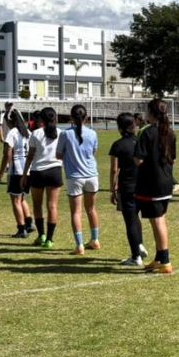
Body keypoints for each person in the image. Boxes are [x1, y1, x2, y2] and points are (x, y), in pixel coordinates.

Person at [134, 98, 176, 274]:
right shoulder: (171, 132)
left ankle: (165, 260)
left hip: (152, 183)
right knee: (157, 219)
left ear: (151, 113)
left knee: (157, 220)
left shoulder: (147, 132)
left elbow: (138, 159)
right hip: (166, 182)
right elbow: (173, 159)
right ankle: (159, 258)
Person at [56, 104, 101, 255]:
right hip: (91, 175)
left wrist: (71, 157)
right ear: (86, 117)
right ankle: (95, 240)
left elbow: (58, 154)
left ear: (71, 118)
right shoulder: (93, 133)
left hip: (75, 176)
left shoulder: (65, 134)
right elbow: (93, 151)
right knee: (91, 209)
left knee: (76, 212)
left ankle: (79, 245)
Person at [109, 112, 149, 266]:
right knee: (136, 219)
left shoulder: (118, 145)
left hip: (127, 187)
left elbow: (114, 169)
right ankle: (139, 245)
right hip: (143, 185)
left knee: (130, 221)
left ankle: (135, 256)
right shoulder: (141, 141)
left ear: (120, 127)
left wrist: (113, 189)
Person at [21, 107, 63, 248]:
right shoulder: (61, 133)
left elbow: (30, 156)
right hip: (55, 171)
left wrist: (24, 174)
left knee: (37, 205)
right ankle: (50, 240)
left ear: (42, 119)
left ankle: (41, 235)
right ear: (55, 118)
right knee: (52, 206)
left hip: (38, 171)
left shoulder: (36, 134)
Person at [0, 109, 34, 238]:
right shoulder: (27, 132)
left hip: (16, 170)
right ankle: (29, 223)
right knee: (22, 198)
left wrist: (1, 171)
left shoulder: (12, 133)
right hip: (28, 170)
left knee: (16, 200)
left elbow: (7, 154)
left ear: (10, 120)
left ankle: (21, 228)